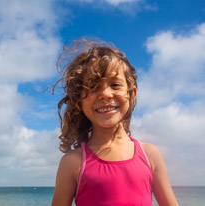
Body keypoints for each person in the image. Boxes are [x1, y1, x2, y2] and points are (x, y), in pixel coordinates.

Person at [52, 37, 179, 206]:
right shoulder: (73, 162)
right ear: (79, 100)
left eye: (115, 85)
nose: (105, 94)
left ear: (132, 92)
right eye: (93, 87)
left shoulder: (150, 155)